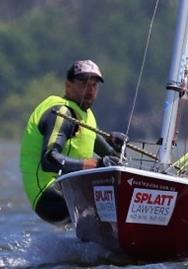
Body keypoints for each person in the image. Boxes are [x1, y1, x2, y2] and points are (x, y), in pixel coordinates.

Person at [19, 59, 126, 224]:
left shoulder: (87, 115)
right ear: (68, 86)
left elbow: (111, 159)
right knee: (115, 206)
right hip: (48, 195)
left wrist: (118, 147)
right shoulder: (62, 113)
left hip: (72, 188)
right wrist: (96, 165)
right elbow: (49, 159)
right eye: (83, 83)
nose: (89, 90)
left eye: (94, 85)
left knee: (121, 197)